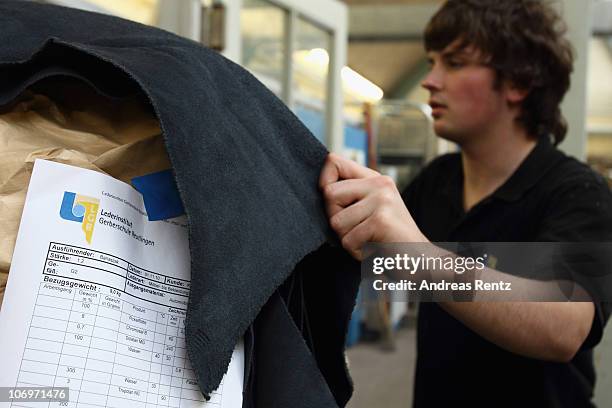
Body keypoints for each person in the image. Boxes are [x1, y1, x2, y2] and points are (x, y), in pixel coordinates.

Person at [320, 0, 612, 406]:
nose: (430, 80)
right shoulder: (438, 181)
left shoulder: (577, 192)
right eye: (431, 61)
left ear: (519, 82)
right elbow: (378, 263)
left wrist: (417, 254)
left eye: (455, 63)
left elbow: (564, 328)